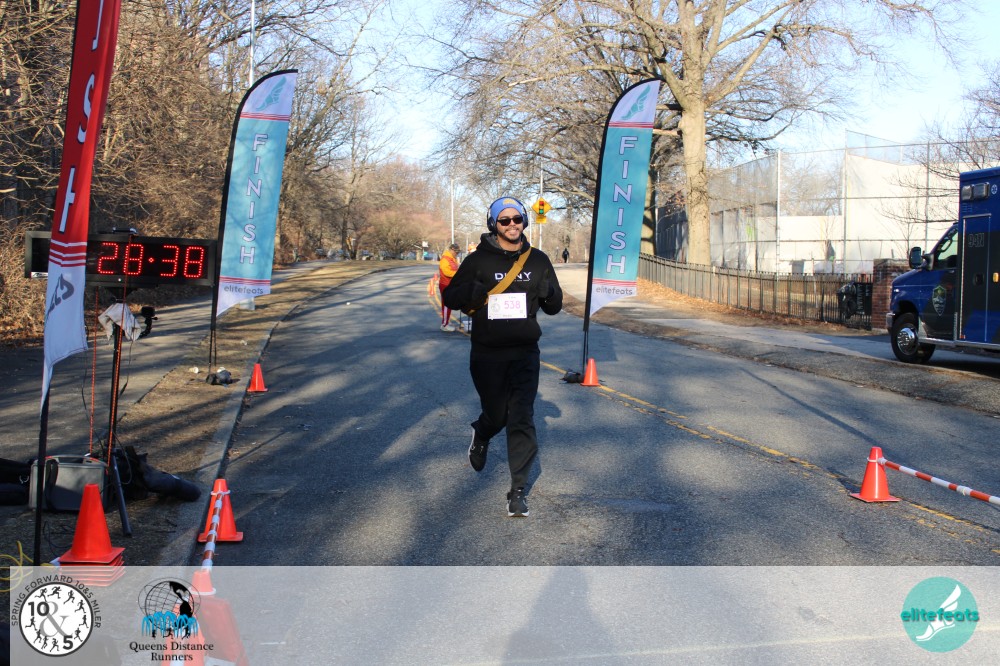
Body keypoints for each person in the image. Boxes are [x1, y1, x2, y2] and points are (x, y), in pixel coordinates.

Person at [442, 196, 563, 517]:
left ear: (524, 221)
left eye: (517, 219)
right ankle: (482, 432)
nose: (512, 225)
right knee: (497, 416)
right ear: (494, 224)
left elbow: (554, 306)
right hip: (488, 353)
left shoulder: (538, 260)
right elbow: (450, 297)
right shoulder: (477, 261)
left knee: (521, 417)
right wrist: (471, 292)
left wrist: (549, 293)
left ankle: (518, 490)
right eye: (504, 220)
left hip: (525, 353)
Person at [438, 243, 461, 331]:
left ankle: (446, 321)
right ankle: (444, 325)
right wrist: (458, 274)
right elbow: (446, 272)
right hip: (445, 284)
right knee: (446, 304)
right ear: (451, 250)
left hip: (450, 284)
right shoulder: (445, 259)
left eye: (458, 252)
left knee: (449, 304)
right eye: (456, 252)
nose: (457, 253)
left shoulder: (452, 258)